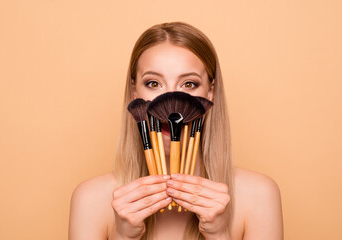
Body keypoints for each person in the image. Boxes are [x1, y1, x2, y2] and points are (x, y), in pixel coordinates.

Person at [68, 22, 283, 240]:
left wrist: (219, 235)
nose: (170, 99)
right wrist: (123, 237)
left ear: (210, 93)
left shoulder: (259, 196)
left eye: (189, 84)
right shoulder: (90, 200)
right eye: (153, 83)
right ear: (134, 92)